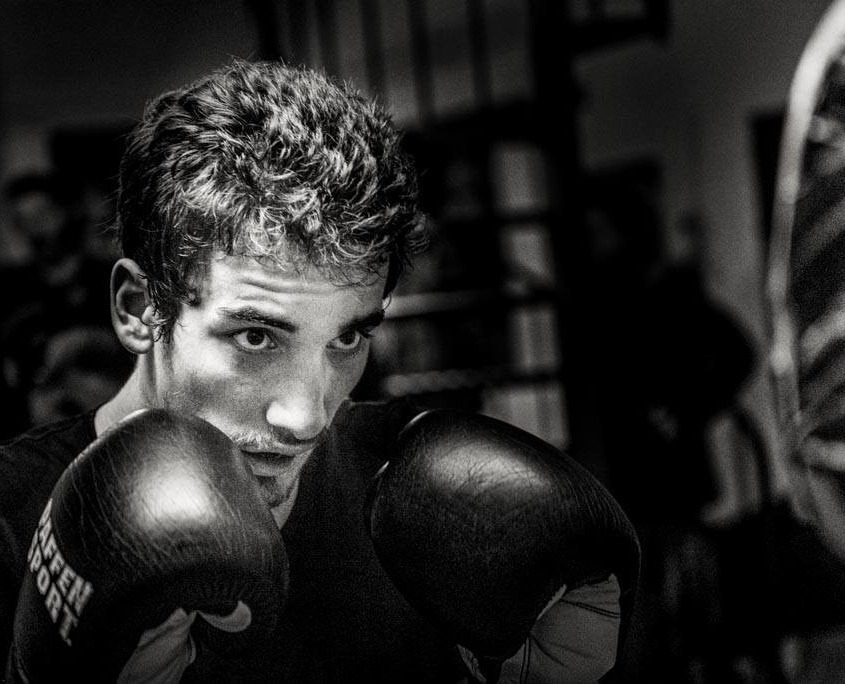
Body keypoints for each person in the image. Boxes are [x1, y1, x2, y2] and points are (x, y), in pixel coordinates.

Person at [0, 59, 638, 682]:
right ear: (141, 309)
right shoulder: (8, 518)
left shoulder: (422, 502)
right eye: (256, 336)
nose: (307, 419)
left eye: (348, 337)